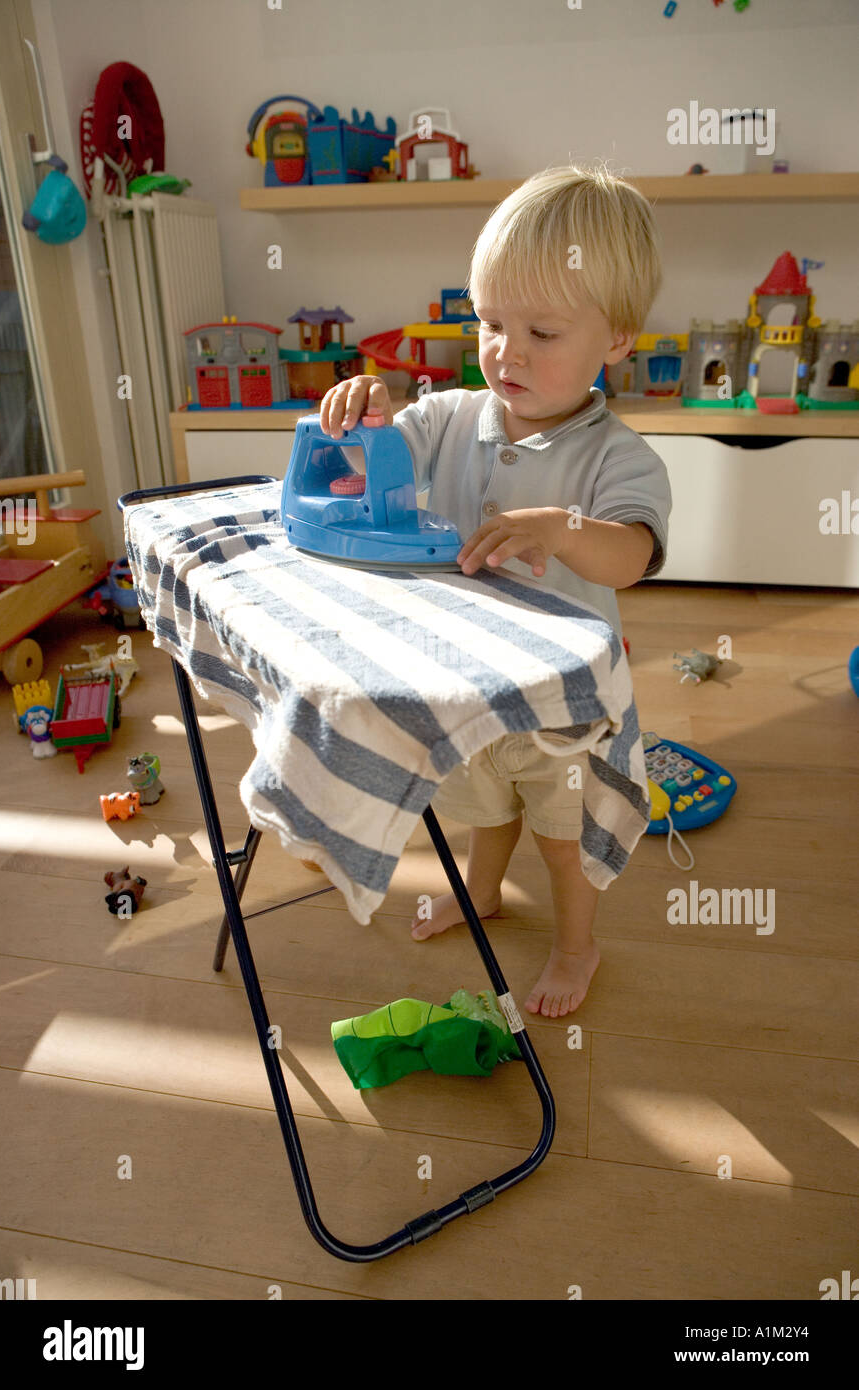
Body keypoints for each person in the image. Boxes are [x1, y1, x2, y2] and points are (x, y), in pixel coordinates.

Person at [319, 163, 671, 1018]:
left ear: (617, 339)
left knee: (563, 839)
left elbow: (631, 555)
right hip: (468, 688)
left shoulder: (618, 458)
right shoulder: (445, 418)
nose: (506, 350)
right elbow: (365, 468)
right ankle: (480, 892)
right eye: (489, 322)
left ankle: (576, 946)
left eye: (542, 332)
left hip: (567, 708)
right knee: (481, 806)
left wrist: (560, 528)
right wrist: (361, 418)